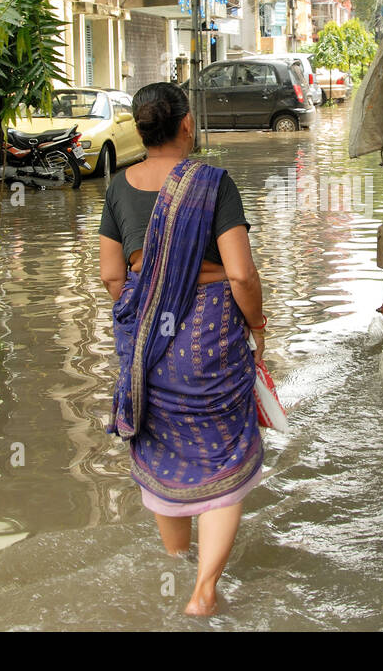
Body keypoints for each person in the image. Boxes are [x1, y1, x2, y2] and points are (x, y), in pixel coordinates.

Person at [99, 82, 268, 616]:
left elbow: (110, 278)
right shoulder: (213, 183)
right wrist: (258, 323)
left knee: (163, 448)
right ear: (187, 124)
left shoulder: (118, 187)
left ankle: (176, 564)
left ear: (139, 129)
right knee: (222, 451)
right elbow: (240, 273)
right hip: (210, 344)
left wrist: (154, 289)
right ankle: (204, 589)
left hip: (148, 350)